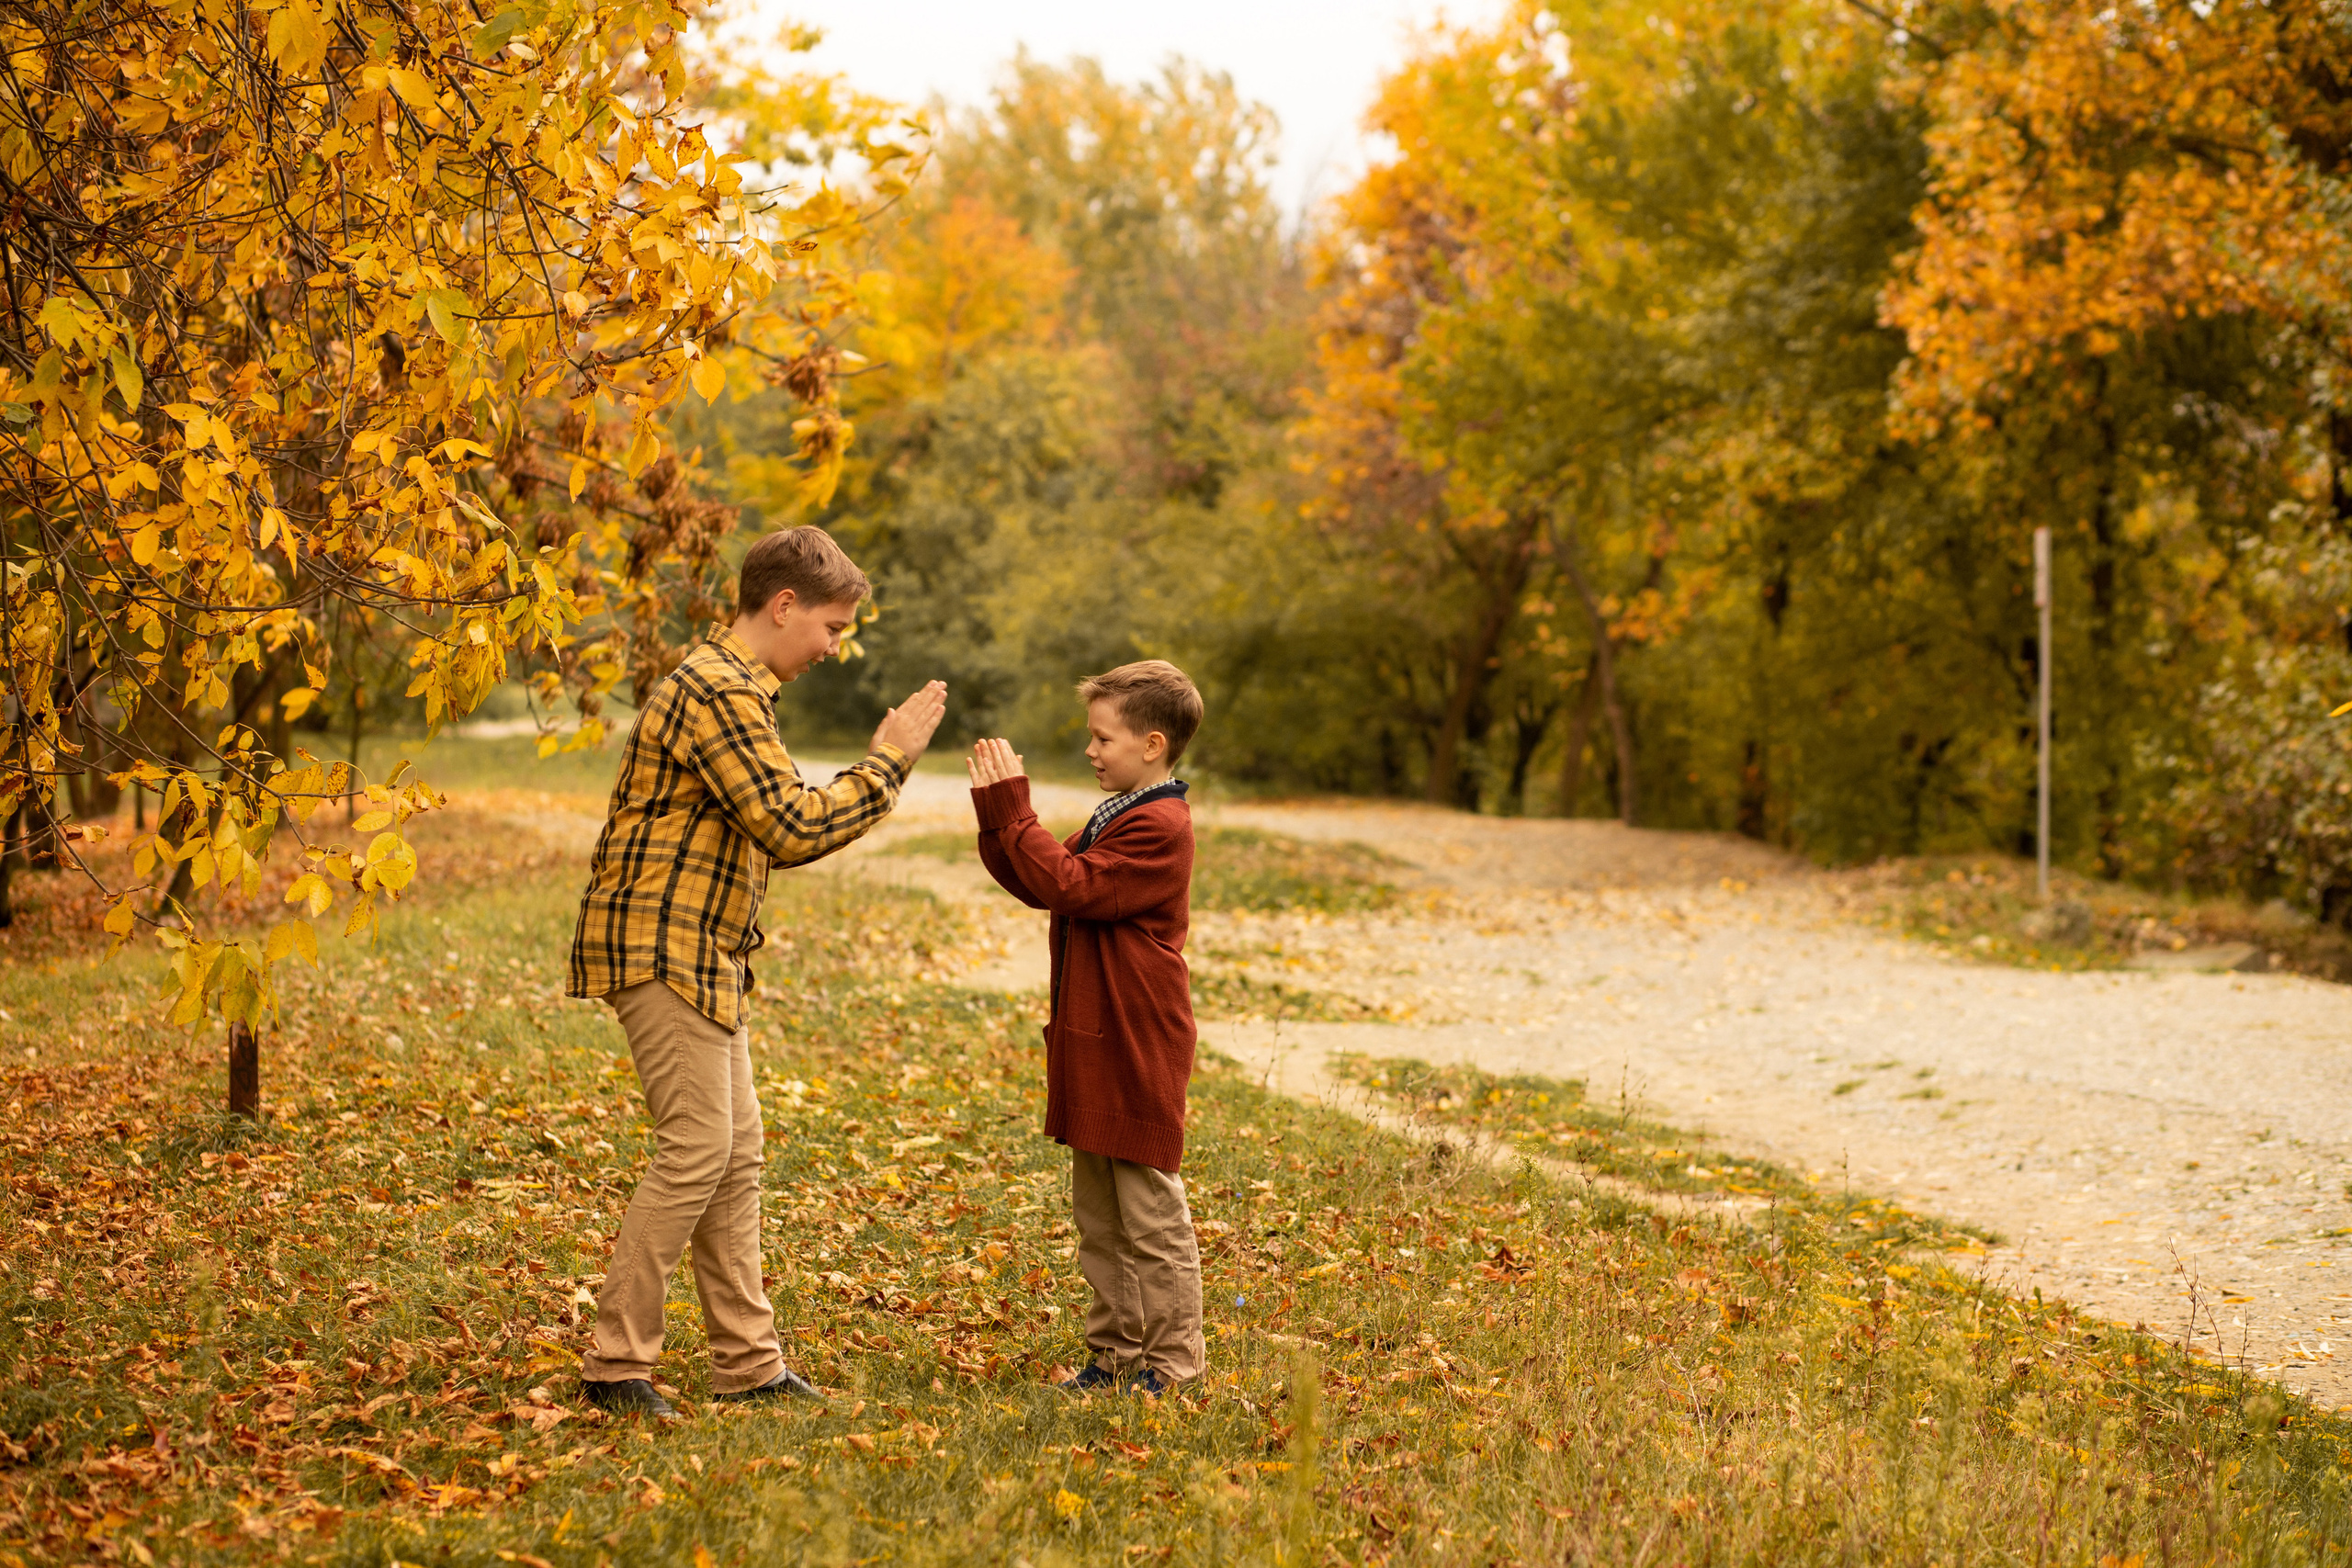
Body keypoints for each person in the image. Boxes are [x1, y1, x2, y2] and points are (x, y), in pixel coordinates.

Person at [567, 525, 946, 1417]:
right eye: (830, 625)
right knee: (700, 1149)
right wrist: (888, 757)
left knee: (733, 1155)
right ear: (782, 607)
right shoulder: (717, 692)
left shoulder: (733, 688)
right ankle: (615, 1363)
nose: (832, 646)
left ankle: (748, 1365)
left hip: (701, 950)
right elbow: (790, 825)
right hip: (663, 948)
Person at [966, 660, 1205, 1395]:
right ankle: (1116, 1355)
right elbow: (1044, 881)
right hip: (1096, 1035)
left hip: (1137, 1039)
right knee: (1101, 1215)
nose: (1092, 750)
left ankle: (1173, 1363)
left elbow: (1074, 884)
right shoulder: (1120, 812)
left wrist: (1016, 809)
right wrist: (996, 814)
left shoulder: (1159, 824)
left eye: (1104, 738)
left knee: (1149, 1213)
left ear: (1154, 744)